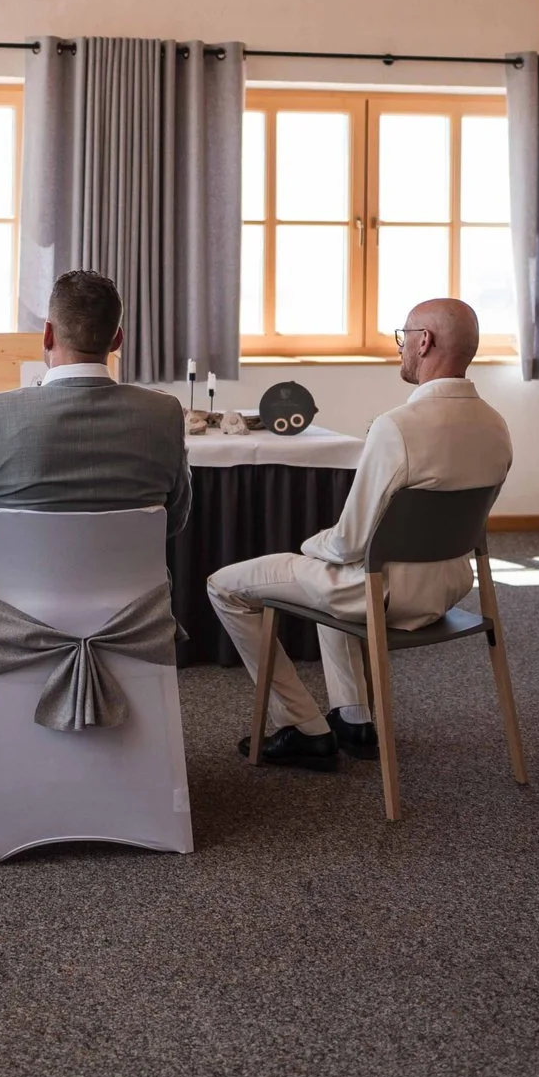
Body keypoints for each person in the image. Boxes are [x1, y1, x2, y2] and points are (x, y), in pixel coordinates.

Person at [207, 297, 510, 771]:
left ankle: (303, 725)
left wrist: (309, 545)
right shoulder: (496, 426)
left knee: (226, 585)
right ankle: (354, 717)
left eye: (404, 337)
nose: (401, 349)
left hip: (384, 592)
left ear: (424, 341)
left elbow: (350, 542)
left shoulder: (398, 427)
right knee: (337, 577)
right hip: (448, 587)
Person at [0, 270, 192, 640]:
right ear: (117, 340)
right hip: (129, 610)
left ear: (47, 335)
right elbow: (173, 520)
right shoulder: (164, 414)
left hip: (12, 607)